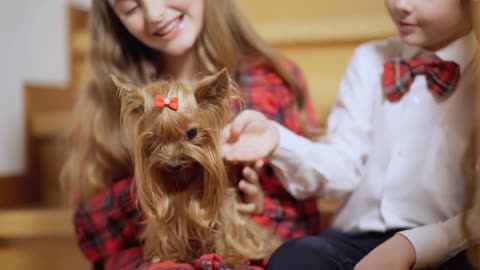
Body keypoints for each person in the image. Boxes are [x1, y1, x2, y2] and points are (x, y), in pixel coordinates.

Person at [61, 0, 320, 269]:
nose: (155, 14)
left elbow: (303, 228)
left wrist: (256, 205)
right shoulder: (103, 102)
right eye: (130, 7)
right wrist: (151, 188)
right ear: (115, 18)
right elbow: (90, 236)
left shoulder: (271, 83)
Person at [222, 0, 478, 269]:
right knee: (296, 256)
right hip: (354, 240)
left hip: (446, 244)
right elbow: (343, 165)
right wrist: (277, 140)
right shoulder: (368, 59)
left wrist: (412, 246)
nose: (400, 5)